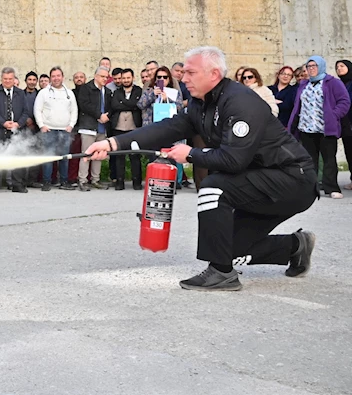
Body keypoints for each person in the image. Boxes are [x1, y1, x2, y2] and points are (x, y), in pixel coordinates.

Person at [85, 46, 319, 292]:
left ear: (214, 74)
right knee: (227, 246)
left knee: (213, 187)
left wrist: (191, 154)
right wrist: (112, 143)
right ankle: (296, 246)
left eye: (190, 73)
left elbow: (234, 160)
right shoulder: (201, 103)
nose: (183, 78)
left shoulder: (240, 102)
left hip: (292, 179)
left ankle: (221, 273)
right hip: (262, 179)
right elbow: (168, 128)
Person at [287, 55, 350, 200]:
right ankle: (311, 188)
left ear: (321, 66)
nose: (311, 69)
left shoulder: (332, 82)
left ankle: (331, 188)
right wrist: (293, 124)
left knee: (329, 160)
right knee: (310, 160)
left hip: (326, 129)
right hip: (306, 128)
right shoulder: (304, 84)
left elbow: (344, 101)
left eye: (314, 66)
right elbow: (298, 105)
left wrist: (334, 115)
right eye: (309, 66)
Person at [34, 66, 78, 191]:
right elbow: (37, 109)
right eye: (53, 76)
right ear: (50, 78)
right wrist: (41, 125)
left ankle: (64, 181)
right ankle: (47, 182)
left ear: (62, 77)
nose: (56, 78)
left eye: (58, 76)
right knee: (48, 157)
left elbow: (74, 110)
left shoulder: (69, 93)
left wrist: (71, 125)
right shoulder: (43, 93)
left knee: (64, 158)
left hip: (65, 130)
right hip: (49, 130)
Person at [0, 67, 29, 194]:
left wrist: (18, 124)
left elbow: (25, 111)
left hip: (16, 131)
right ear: (1, 79)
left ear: (14, 79)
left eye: (10, 79)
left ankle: (17, 185)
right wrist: (3, 123)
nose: (7, 81)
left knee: (17, 158)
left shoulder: (20, 93)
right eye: (5, 79)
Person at [76, 66, 112, 191]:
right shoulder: (86, 88)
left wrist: (107, 116)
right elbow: (84, 104)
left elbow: (111, 106)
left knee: (99, 155)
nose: (105, 79)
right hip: (88, 127)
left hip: (102, 128)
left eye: (106, 77)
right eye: (102, 76)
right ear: (95, 76)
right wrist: (98, 115)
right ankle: (83, 180)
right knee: (86, 154)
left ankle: (95, 179)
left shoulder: (107, 91)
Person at [109, 68, 143, 190]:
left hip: (134, 127)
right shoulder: (117, 92)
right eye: (124, 78)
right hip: (118, 127)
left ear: (133, 78)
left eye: (128, 78)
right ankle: (119, 182)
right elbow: (114, 105)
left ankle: (137, 182)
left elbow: (137, 105)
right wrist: (130, 104)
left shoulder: (139, 90)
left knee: (135, 155)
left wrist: (123, 102)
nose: (126, 80)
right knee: (119, 156)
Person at [335, 60, 352, 190]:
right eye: (337, 67)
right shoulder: (339, 84)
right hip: (345, 125)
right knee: (349, 153)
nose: (339, 68)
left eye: (342, 66)